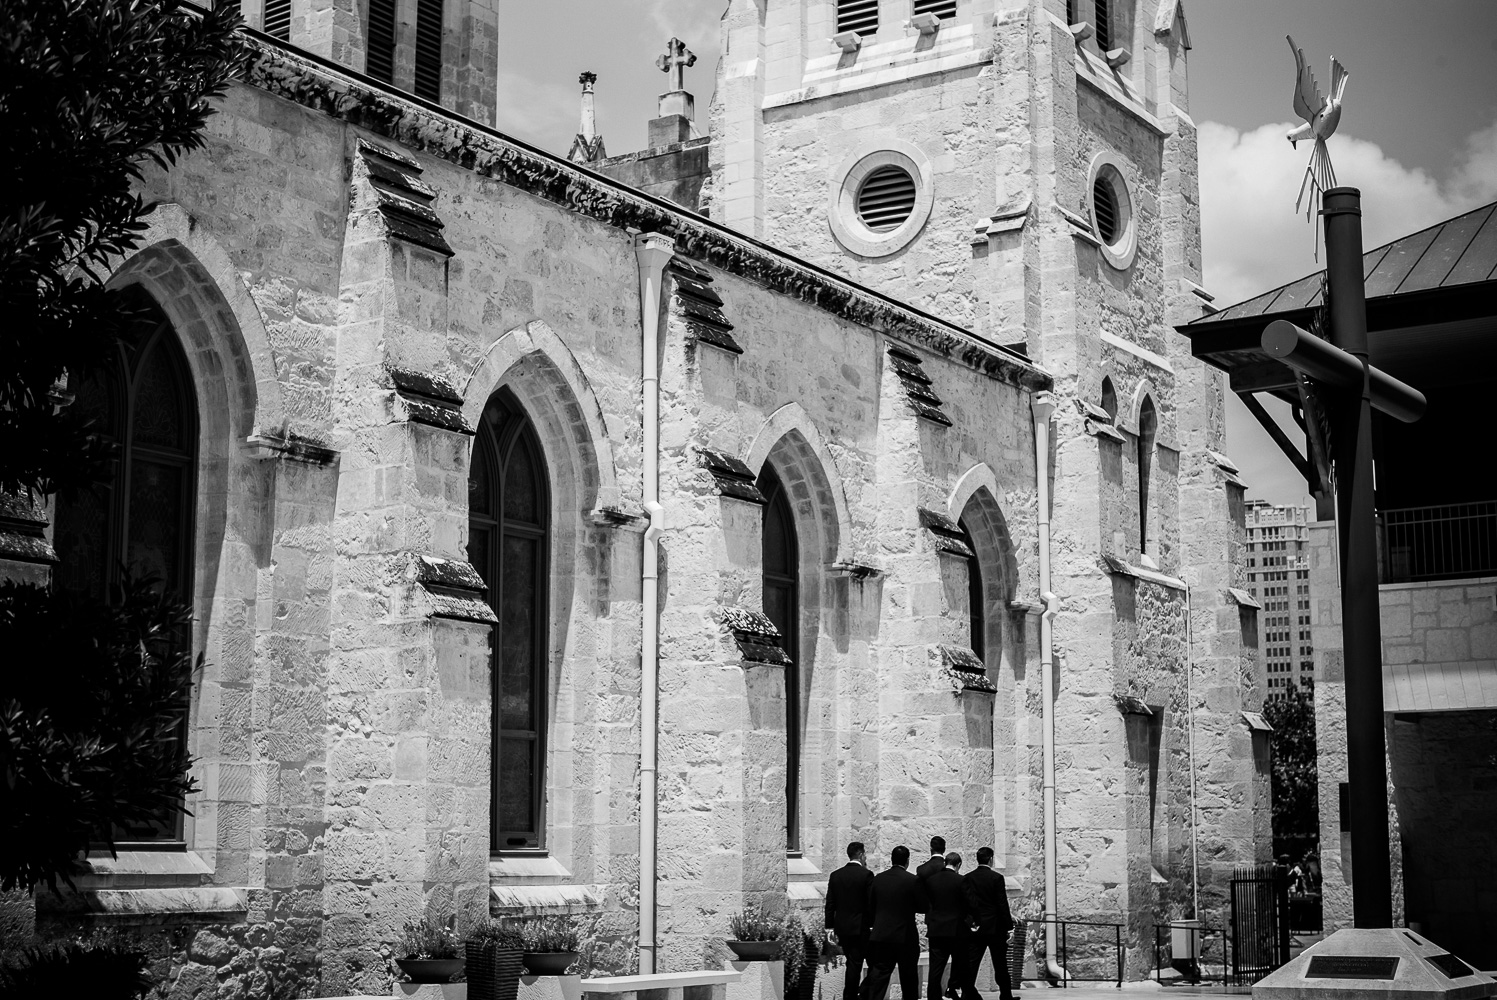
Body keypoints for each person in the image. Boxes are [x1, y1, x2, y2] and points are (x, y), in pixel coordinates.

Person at [861, 845, 923, 1000]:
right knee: (909, 978)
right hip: (905, 936)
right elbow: (923, 906)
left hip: (882, 935)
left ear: (891, 859)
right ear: (908, 860)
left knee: (879, 977)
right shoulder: (913, 880)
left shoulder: (878, 879)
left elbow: (870, 906)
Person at [961, 847, 1015, 1000]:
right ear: (990, 859)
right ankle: (1006, 995)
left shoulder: (968, 878)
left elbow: (967, 903)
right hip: (995, 927)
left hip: (976, 927)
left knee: (972, 963)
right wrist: (1008, 927)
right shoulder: (996, 878)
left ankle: (967, 994)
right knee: (1000, 964)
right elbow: (1001, 904)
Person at [826, 841, 875, 1000]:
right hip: (860, 927)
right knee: (873, 962)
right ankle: (856, 994)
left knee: (853, 963)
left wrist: (829, 928)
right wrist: (872, 924)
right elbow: (870, 903)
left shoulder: (835, 875)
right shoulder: (866, 875)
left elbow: (830, 904)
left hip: (842, 928)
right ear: (861, 855)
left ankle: (853, 994)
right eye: (865, 854)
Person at [923, 851, 968, 1000]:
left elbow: (927, 905)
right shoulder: (961, 880)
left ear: (945, 863)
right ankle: (953, 989)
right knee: (960, 963)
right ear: (958, 865)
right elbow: (968, 904)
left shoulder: (931, 881)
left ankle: (933, 997)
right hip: (956, 930)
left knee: (935, 968)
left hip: (936, 929)